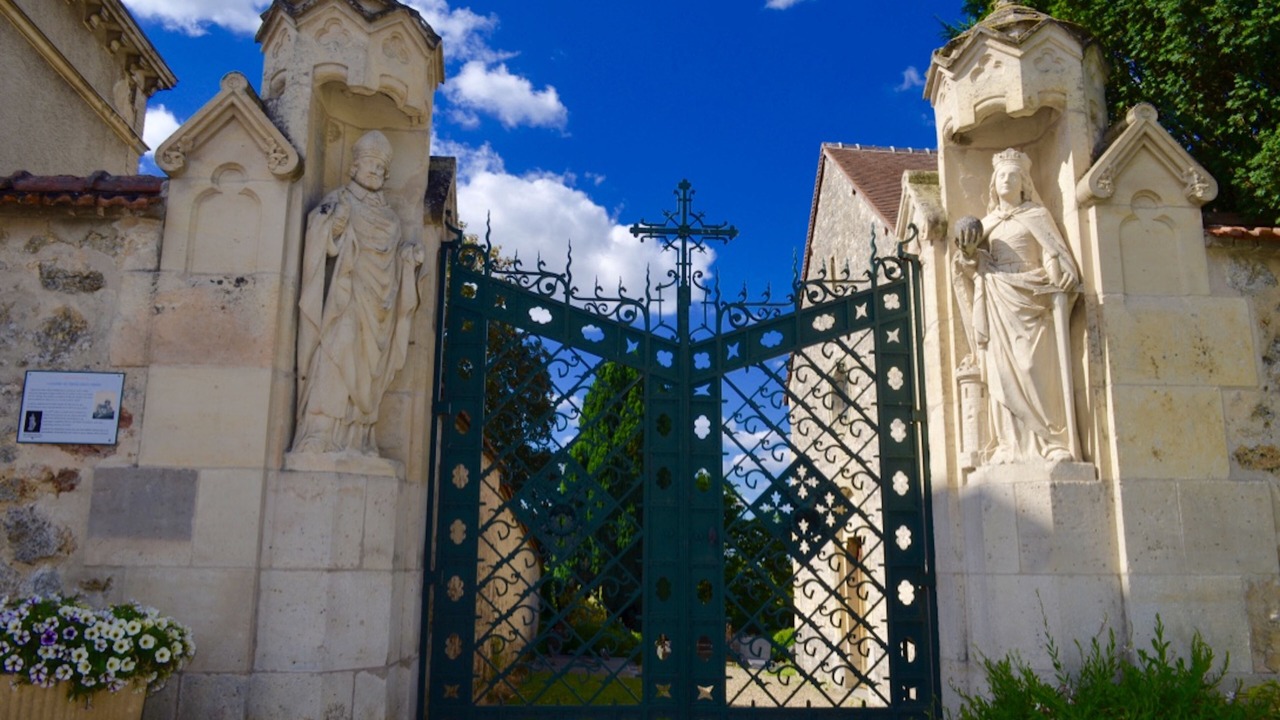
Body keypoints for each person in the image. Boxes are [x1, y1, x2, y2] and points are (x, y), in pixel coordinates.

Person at [292, 130, 425, 455]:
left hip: (380, 304)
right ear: (353, 167)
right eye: (370, 166)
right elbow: (320, 239)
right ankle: (320, 433)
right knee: (337, 352)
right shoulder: (339, 201)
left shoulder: (390, 216)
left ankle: (356, 436)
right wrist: (332, 228)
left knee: (369, 367)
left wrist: (408, 261)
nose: (376, 173)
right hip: (346, 295)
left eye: (381, 169)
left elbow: (391, 258)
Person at [952, 148, 1080, 464]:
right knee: (1000, 374)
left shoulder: (1037, 215)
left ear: (1024, 183)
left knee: (1034, 369)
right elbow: (970, 266)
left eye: (1013, 175)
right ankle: (1009, 445)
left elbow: (1057, 254)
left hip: (1033, 295)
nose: (1006, 180)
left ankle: (1051, 441)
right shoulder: (986, 224)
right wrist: (968, 252)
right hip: (997, 300)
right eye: (1001, 176)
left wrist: (1064, 276)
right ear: (993, 184)